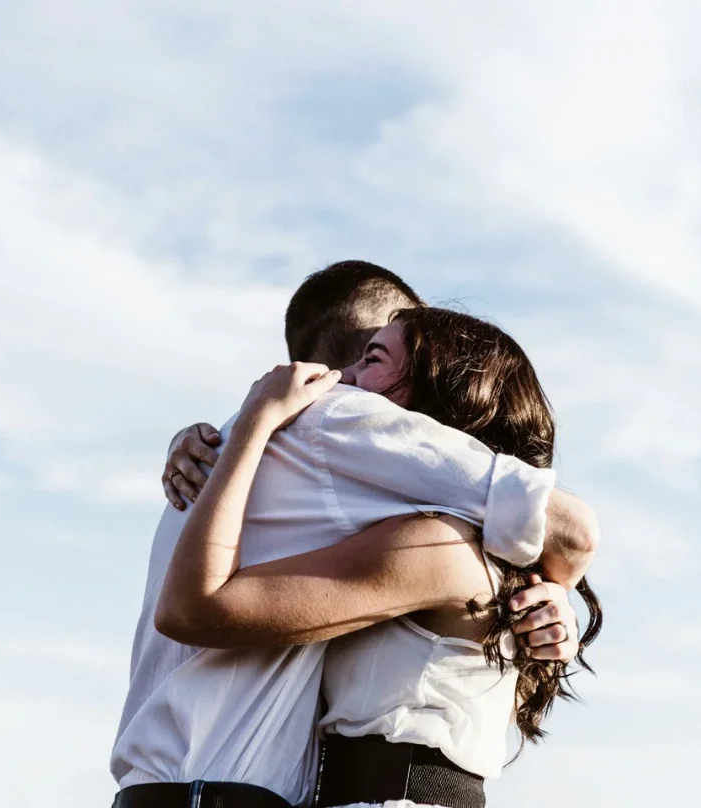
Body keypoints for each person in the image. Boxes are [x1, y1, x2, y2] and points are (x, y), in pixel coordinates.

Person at [109, 262, 597, 808]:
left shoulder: (441, 545)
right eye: (369, 354)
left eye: (377, 361)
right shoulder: (333, 447)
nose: (346, 387)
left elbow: (571, 533)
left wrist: (553, 588)